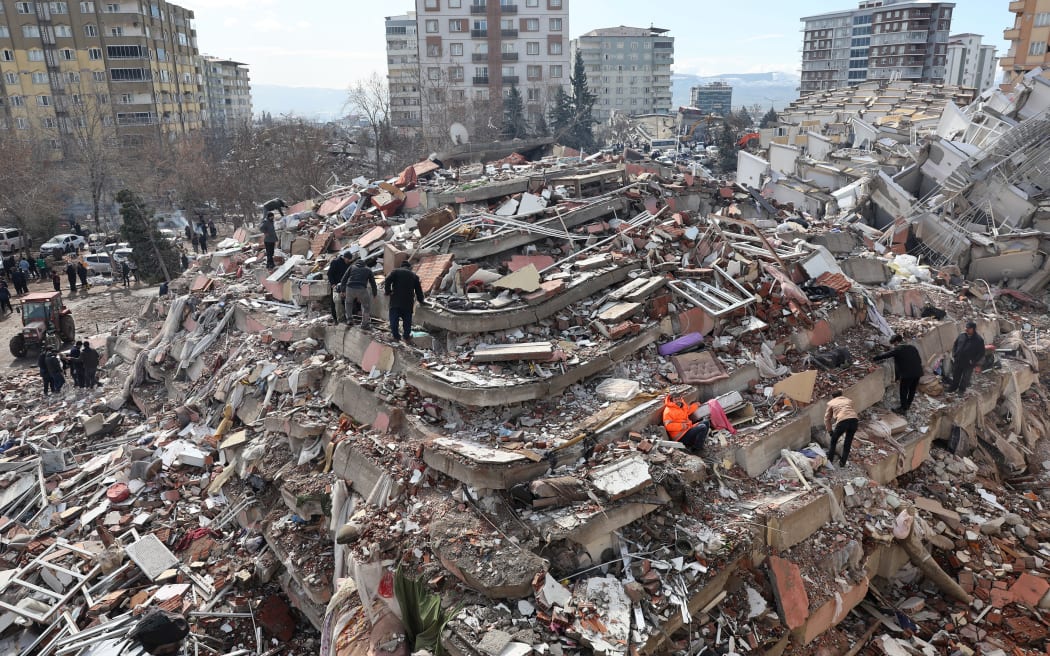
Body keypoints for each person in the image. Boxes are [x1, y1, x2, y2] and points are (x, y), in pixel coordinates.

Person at [873, 334, 924, 414]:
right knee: (912, 390)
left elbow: (886, 355)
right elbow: (919, 360)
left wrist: (874, 358)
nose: (893, 346)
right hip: (918, 372)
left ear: (896, 342)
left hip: (908, 374)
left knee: (904, 390)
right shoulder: (912, 347)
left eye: (894, 344)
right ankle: (908, 405)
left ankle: (903, 409)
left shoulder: (898, 349)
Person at [384, 260, 424, 343]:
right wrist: (421, 300)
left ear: (401, 266)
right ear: (409, 267)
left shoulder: (396, 272)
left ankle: (396, 337)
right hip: (408, 302)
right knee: (407, 321)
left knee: (394, 319)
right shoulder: (414, 276)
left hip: (396, 300)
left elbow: (387, 279)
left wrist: (388, 291)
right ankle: (406, 337)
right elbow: (418, 291)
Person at [946, 321, 985, 394]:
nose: (966, 329)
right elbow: (955, 344)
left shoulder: (979, 340)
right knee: (956, 375)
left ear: (973, 329)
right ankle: (953, 387)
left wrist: (974, 361)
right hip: (958, 360)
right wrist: (955, 354)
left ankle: (961, 390)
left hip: (969, 363)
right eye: (966, 328)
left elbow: (981, 353)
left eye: (968, 328)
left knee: (965, 378)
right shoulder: (962, 336)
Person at [339, 258, 378, 329]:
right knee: (366, 306)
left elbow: (343, 279)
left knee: (348, 303)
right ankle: (364, 324)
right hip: (361, 289)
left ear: (356, 263)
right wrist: (375, 293)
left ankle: (349, 320)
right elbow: (373, 283)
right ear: (365, 264)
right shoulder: (368, 269)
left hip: (350, 288)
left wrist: (342, 290)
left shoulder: (352, 267)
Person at [824, 390, 859, 467]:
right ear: (841, 395)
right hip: (854, 420)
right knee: (848, 442)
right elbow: (850, 410)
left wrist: (830, 431)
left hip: (842, 421)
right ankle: (842, 462)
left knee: (833, 440)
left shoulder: (831, 403)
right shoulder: (848, 400)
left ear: (832, 397)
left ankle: (830, 459)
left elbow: (827, 419)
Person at [327, 251, 353, 323]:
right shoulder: (335, 262)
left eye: (349, 260)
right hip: (336, 285)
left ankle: (344, 318)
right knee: (336, 302)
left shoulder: (348, 264)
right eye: (348, 259)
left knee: (344, 302)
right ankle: (335, 318)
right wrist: (333, 284)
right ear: (344, 258)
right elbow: (329, 274)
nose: (348, 261)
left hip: (344, 286)